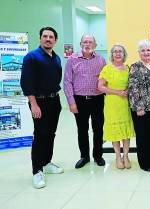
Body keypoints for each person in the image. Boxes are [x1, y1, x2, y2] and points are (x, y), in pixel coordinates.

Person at [21, 27, 63, 189]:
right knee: (40, 135)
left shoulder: (56, 58)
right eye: (45, 36)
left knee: (51, 134)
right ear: (40, 38)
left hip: (54, 101)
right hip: (39, 102)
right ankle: (37, 170)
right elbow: (26, 82)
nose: (48, 39)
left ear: (55, 40)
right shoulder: (32, 57)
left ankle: (46, 162)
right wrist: (33, 104)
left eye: (51, 37)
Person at [63, 34, 106, 169]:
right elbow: (67, 82)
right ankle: (84, 156)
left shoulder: (101, 60)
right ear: (81, 44)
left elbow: (105, 78)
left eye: (90, 42)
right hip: (79, 100)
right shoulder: (72, 60)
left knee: (98, 129)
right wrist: (71, 102)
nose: (87, 44)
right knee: (82, 129)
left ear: (95, 45)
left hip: (97, 100)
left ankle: (98, 156)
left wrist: (104, 90)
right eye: (85, 42)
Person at [128, 39, 150, 172]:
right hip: (141, 109)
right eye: (143, 50)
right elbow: (133, 88)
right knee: (143, 136)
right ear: (139, 52)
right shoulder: (135, 67)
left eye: (148, 50)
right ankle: (144, 162)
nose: (146, 52)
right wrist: (138, 107)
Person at [98, 44, 134, 169]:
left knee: (125, 132)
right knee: (115, 132)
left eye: (120, 51)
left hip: (125, 104)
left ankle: (126, 156)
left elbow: (133, 84)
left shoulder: (128, 68)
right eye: (115, 51)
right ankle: (118, 156)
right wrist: (118, 92)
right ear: (112, 54)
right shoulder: (107, 69)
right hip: (112, 103)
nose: (118, 53)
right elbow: (100, 87)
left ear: (124, 54)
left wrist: (128, 91)